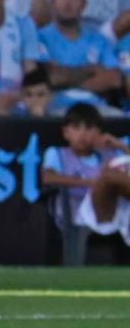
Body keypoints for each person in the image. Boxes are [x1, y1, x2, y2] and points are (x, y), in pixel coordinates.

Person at [45, 104, 130, 259]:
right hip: (79, 211)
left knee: (117, 171)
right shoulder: (57, 153)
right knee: (110, 176)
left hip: (116, 210)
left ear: (99, 132)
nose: (82, 134)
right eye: (76, 128)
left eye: (89, 128)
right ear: (66, 133)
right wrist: (91, 183)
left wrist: (120, 145)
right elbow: (48, 177)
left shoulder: (110, 153)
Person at [38, 0, 122, 101]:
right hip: (54, 111)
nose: (68, 2)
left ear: (84, 4)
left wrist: (72, 83)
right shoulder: (39, 37)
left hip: (96, 110)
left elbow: (114, 79)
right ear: (52, 2)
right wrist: (91, 70)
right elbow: (53, 77)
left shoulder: (99, 39)